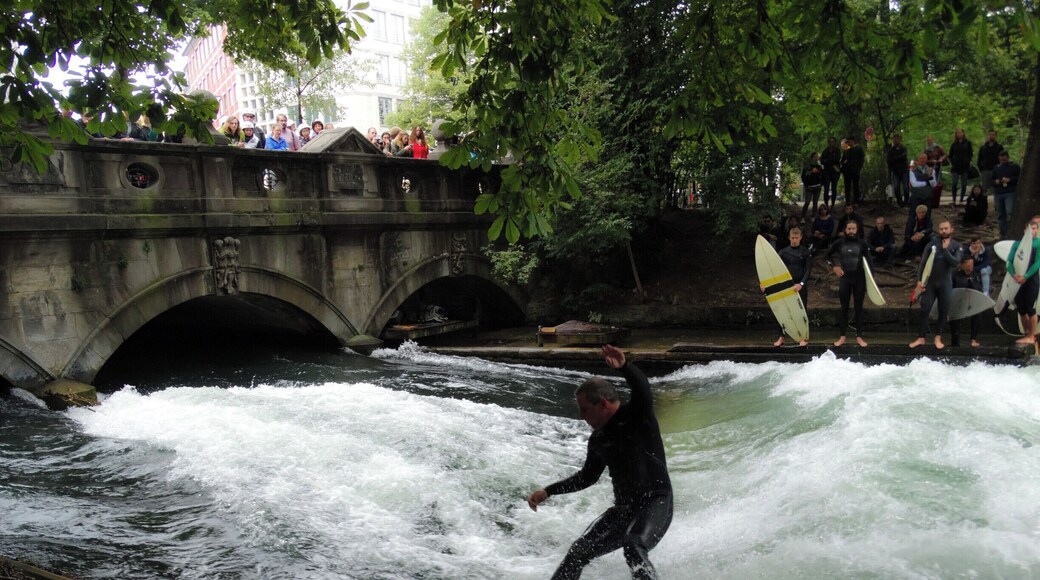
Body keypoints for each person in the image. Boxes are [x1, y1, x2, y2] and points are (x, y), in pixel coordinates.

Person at [527, 344, 672, 580]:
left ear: (603, 403)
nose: (581, 416)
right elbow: (587, 477)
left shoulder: (637, 416)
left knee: (633, 546)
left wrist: (625, 367)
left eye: (584, 409)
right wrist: (549, 491)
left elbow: (642, 388)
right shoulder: (598, 439)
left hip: (656, 502)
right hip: (624, 510)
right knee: (578, 551)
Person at [909, 220, 963, 350]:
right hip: (931, 283)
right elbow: (922, 263)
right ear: (938, 230)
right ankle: (921, 337)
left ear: (951, 230)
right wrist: (919, 281)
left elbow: (955, 262)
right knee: (924, 309)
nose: (943, 231)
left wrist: (945, 251)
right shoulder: (932, 244)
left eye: (946, 228)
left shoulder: (957, 246)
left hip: (945, 283)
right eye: (941, 229)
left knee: (943, 310)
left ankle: (938, 337)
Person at [826, 221, 872, 347]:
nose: (851, 231)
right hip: (845, 279)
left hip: (859, 279)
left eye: (853, 228)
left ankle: (859, 336)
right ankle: (842, 337)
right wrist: (834, 267)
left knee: (859, 308)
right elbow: (827, 255)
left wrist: (870, 282)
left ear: (857, 229)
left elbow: (869, 263)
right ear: (845, 230)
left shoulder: (862, 244)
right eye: (849, 228)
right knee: (843, 308)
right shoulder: (839, 243)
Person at [766, 227, 811, 347]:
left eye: (797, 238)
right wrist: (766, 284)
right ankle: (781, 337)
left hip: (800, 286)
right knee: (782, 311)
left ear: (801, 238)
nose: (795, 240)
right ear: (789, 238)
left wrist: (801, 284)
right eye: (793, 238)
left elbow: (808, 270)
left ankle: (802, 337)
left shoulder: (805, 252)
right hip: (786, 285)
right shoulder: (783, 252)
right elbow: (774, 270)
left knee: (801, 311)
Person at [1005, 217, 1040, 345]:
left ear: (1037, 230)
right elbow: (1009, 261)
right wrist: (1014, 275)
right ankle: (1026, 333)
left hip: (1031, 280)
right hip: (1017, 281)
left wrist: (1025, 276)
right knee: (1021, 308)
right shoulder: (1016, 244)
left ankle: (1032, 336)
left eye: (1035, 229)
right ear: (1025, 230)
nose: (1032, 231)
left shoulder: (1038, 243)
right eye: (1030, 229)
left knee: (1030, 308)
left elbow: (1037, 263)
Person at [950, 255, 983, 348]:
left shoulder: (975, 274)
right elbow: (951, 289)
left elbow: (979, 289)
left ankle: (973, 339)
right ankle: (955, 341)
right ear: (962, 265)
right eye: (967, 265)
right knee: (954, 316)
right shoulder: (955, 274)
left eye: (971, 265)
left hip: (971, 301)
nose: (970, 267)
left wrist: (970, 280)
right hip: (958, 301)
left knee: (978, 314)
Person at [991, 150, 1020, 240]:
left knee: (1009, 213)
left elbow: (1020, 178)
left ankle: (1010, 232)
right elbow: (992, 180)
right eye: (1001, 160)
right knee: (1000, 214)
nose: (1002, 161)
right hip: (998, 193)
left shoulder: (1014, 167)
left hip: (1009, 192)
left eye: (1004, 159)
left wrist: (1010, 180)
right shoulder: (996, 168)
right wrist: (996, 182)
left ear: (1007, 158)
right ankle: (1002, 233)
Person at [907, 153, 938, 223]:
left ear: (926, 160)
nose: (922, 160)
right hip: (916, 196)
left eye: (924, 158)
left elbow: (934, 184)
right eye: (921, 158)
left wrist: (930, 178)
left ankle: (926, 232)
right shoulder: (912, 171)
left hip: (927, 196)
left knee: (927, 217)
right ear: (917, 160)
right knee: (912, 216)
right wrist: (926, 182)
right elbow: (914, 184)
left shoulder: (931, 170)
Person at [947, 128, 973, 205]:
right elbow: (950, 155)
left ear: (963, 133)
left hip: (965, 166)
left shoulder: (968, 143)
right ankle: (954, 199)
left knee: (964, 184)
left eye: (960, 132)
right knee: (954, 183)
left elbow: (970, 154)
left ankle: (961, 199)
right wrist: (953, 161)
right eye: (957, 133)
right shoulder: (954, 144)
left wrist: (967, 161)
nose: (959, 134)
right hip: (955, 167)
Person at [976, 129, 1004, 197]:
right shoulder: (983, 147)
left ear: (995, 136)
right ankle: (983, 205)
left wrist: (1001, 168)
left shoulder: (999, 147)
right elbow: (979, 159)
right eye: (990, 134)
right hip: (985, 170)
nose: (991, 136)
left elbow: (1003, 158)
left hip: (996, 170)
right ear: (987, 136)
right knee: (984, 189)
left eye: (993, 134)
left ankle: (997, 205)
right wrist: (981, 169)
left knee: (997, 188)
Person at [886, 134, 910, 206]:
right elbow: (889, 160)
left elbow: (904, 157)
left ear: (900, 140)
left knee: (906, 187)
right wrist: (899, 157)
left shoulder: (904, 148)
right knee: (896, 187)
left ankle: (906, 202)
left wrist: (895, 158)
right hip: (895, 171)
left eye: (898, 139)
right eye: (895, 139)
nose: (896, 141)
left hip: (904, 170)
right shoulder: (890, 150)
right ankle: (900, 202)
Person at [840, 135, 865, 205]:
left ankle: (856, 201)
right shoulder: (846, 151)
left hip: (855, 171)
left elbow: (862, 159)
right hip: (847, 172)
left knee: (856, 186)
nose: (848, 143)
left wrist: (858, 168)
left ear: (853, 141)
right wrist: (843, 163)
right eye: (847, 142)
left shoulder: (859, 149)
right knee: (847, 187)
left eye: (849, 141)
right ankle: (847, 202)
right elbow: (842, 161)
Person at [820, 137, 842, 209]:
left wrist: (827, 161)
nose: (831, 143)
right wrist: (831, 161)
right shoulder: (825, 151)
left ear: (834, 142)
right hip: (826, 171)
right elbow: (822, 161)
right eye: (830, 141)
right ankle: (826, 204)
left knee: (834, 188)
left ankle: (833, 204)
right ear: (828, 142)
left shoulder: (837, 150)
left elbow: (837, 159)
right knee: (826, 188)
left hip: (835, 171)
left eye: (832, 141)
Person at [801, 152, 824, 218]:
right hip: (809, 187)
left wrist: (821, 184)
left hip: (817, 187)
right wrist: (806, 184)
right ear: (811, 158)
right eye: (814, 157)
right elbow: (803, 176)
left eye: (817, 157)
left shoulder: (819, 167)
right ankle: (803, 217)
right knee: (807, 202)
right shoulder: (807, 166)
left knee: (815, 203)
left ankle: (813, 217)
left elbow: (823, 176)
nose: (816, 158)